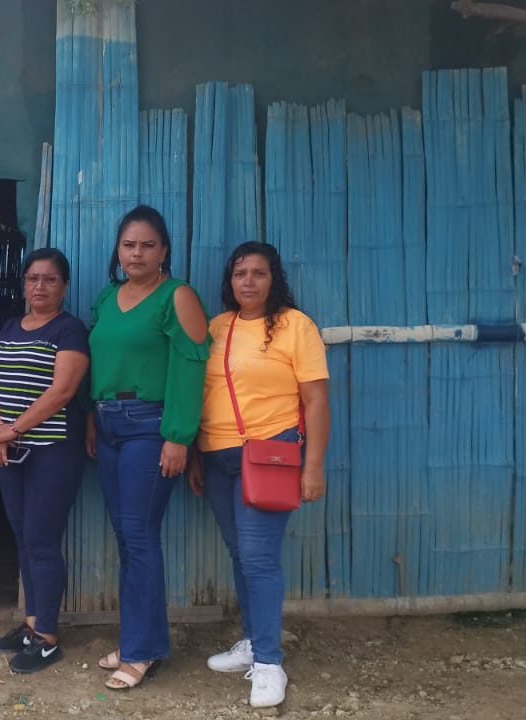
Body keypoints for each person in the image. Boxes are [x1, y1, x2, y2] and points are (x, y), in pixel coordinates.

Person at [188, 241, 329, 709]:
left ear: (274, 279)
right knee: (240, 553)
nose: (248, 281)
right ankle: (252, 641)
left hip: (270, 455)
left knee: (258, 558)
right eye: (239, 273)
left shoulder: (295, 326)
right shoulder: (217, 327)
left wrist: (313, 466)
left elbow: (315, 401)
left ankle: (269, 663)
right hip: (217, 456)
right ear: (229, 281)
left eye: (258, 273)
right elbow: (202, 392)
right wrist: (195, 455)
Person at [86, 205, 209, 691]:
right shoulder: (107, 297)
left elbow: (190, 367)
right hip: (107, 424)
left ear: (164, 251)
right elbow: (98, 363)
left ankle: (140, 651)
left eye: (147, 245)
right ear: (118, 250)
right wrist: (92, 421)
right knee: (126, 536)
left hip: (149, 426)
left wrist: (178, 436)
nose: (136, 254)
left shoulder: (177, 296)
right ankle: (139, 638)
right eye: (128, 245)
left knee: (139, 536)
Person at [0, 248, 90, 673]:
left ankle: (47, 637)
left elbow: (62, 392)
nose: (40, 286)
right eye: (32, 279)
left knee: (42, 540)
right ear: (23, 284)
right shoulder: (10, 327)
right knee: (24, 537)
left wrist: (13, 429)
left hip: (52, 451)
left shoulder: (69, 330)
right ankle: (31, 624)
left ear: (64, 286)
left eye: (50, 279)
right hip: (10, 450)